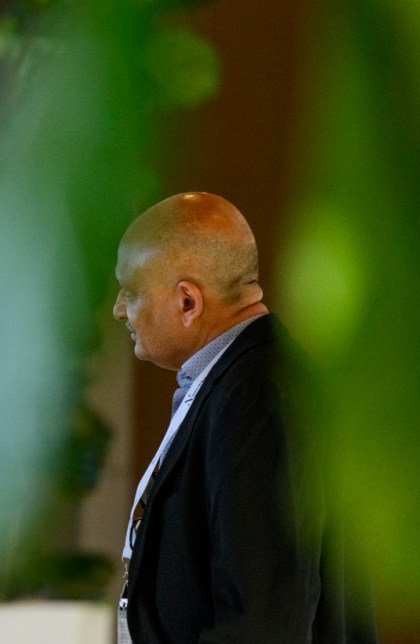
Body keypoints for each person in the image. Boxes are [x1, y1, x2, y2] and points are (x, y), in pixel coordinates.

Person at [112, 192, 377, 643]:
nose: (120, 309)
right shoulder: (240, 382)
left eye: (131, 291)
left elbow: (262, 622)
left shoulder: (257, 396)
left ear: (188, 303)